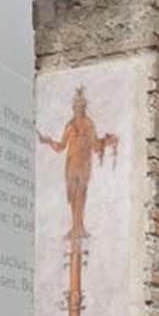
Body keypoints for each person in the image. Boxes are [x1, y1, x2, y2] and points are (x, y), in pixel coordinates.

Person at [38, 86, 118, 238]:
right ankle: (74, 227)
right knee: (73, 196)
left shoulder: (89, 125)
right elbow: (61, 147)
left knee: (81, 194)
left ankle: (79, 227)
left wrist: (107, 141)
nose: (79, 110)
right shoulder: (70, 126)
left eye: (81, 107)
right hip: (71, 165)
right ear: (73, 108)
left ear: (84, 108)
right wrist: (48, 142)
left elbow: (95, 146)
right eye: (76, 107)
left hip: (84, 165)